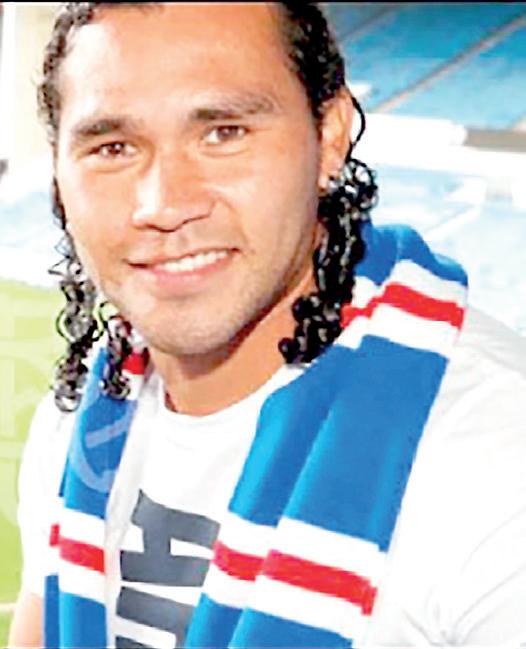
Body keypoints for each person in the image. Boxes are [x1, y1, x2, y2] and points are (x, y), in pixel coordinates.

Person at [8, 2, 526, 647]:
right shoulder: (84, 414)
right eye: (112, 148)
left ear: (329, 136)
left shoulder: (496, 460)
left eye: (223, 133)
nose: (163, 203)